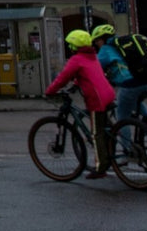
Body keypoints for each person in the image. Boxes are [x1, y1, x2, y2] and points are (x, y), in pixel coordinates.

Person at [44, 29, 115, 179]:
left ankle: (101, 167)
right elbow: (87, 73)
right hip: (108, 94)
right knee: (106, 129)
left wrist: (50, 91)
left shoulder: (76, 60)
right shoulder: (92, 56)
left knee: (96, 134)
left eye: (70, 45)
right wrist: (76, 83)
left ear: (74, 46)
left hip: (97, 100)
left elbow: (62, 78)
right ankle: (111, 153)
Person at [93, 24, 147, 124]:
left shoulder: (105, 49)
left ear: (103, 38)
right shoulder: (123, 45)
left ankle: (126, 139)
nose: (96, 43)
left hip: (131, 84)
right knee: (133, 101)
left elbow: (94, 68)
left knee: (122, 118)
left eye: (97, 40)